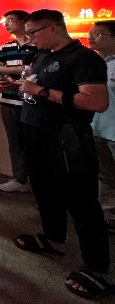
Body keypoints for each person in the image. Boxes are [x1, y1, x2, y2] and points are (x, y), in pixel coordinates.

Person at [11, 9, 110, 299]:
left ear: (53, 28)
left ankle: (98, 269)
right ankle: (54, 239)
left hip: (66, 138)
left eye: (33, 33)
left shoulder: (84, 58)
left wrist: (41, 91)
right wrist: (23, 87)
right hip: (35, 133)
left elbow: (97, 102)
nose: (30, 39)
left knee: (81, 201)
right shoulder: (42, 55)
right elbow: (35, 85)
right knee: (44, 191)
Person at [0, 9, 38, 193]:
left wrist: (13, 70)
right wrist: (20, 70)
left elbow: (37, 70)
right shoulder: (6, 47)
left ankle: (39, 181)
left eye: (11, 20)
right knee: (15, 143)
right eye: (6, 20)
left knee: (36, 143)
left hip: (34, 103)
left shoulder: (38, 46)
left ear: (24, 21)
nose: (7, 24)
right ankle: (19, 179)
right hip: (9, 102)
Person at [89, 20, 115, 231]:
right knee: (105, 177)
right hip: (98, 130)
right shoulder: (95, 64)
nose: (91, 37)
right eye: (91, 33)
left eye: (98, 34)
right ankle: (109, 217)